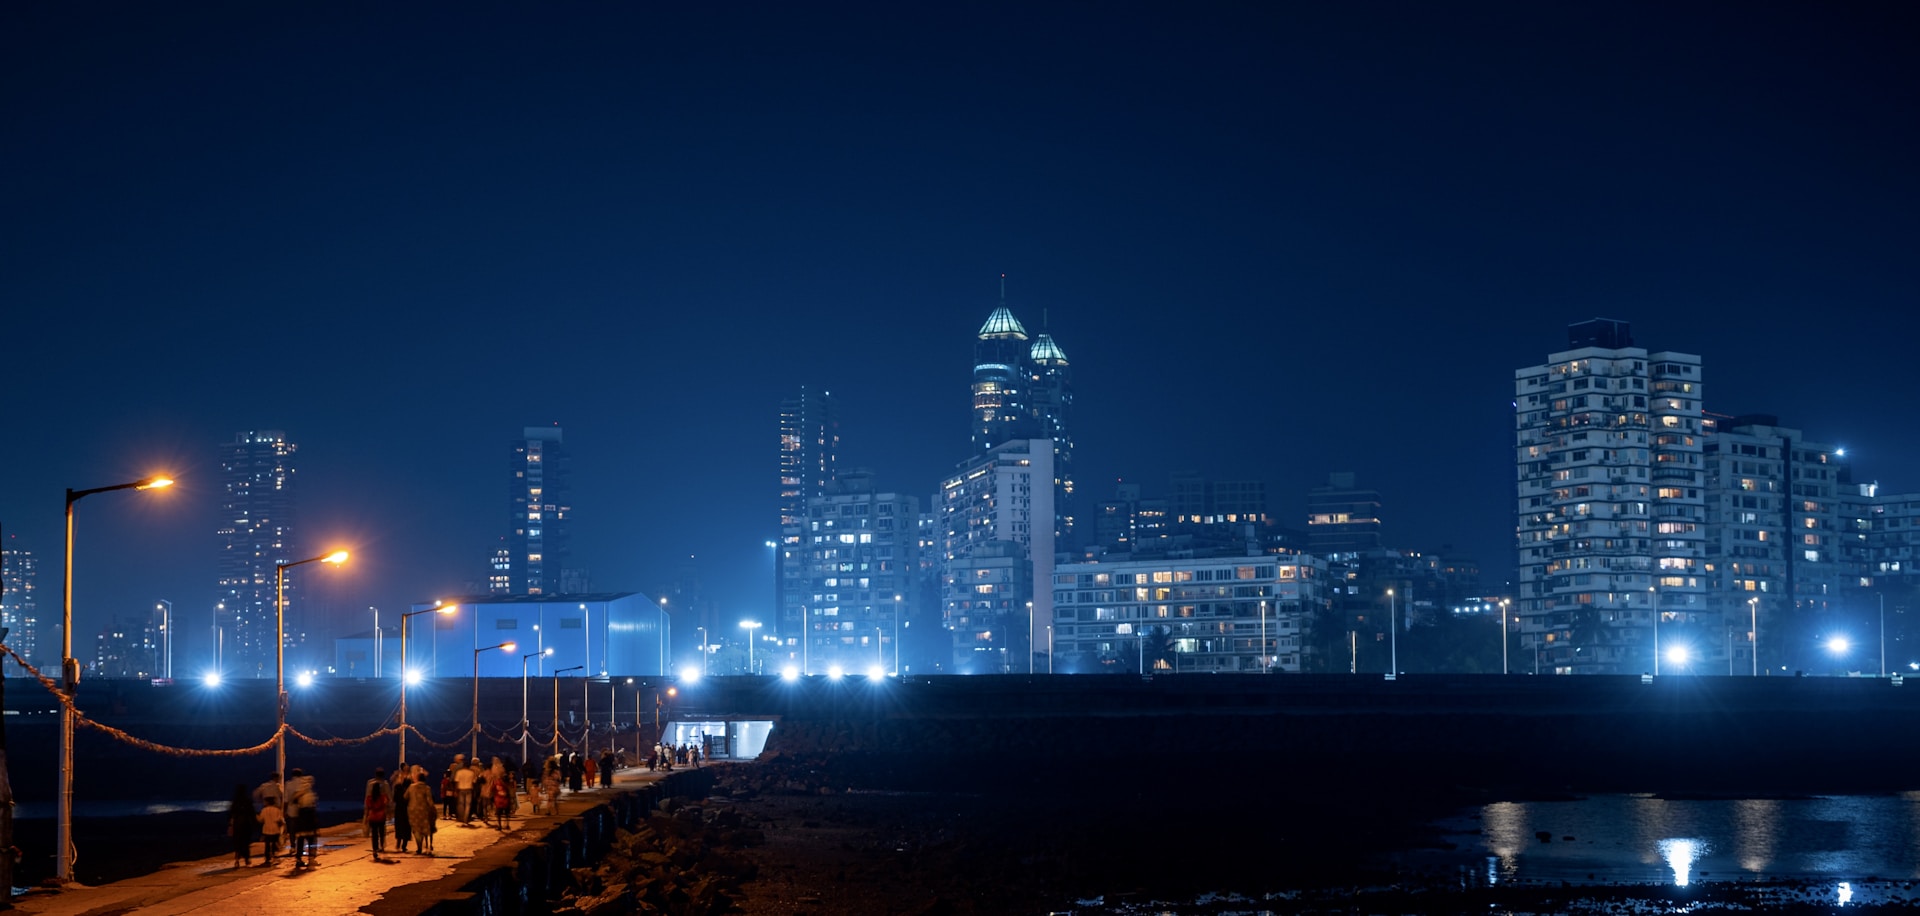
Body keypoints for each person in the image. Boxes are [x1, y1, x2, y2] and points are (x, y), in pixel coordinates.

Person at [286, 769, 319, 868]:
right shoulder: (309, 794)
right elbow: (313, 806)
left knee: (301, 838)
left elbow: (292, 801)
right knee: (312, 838)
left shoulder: (297, 792)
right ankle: (311, 859)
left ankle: (299, 858)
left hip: (301, 816)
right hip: (309, 816)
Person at [406, 772, 437, 853]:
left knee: (416, 829)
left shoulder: (411, 787)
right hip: (424, 811)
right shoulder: (427, 788)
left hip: (412, 811)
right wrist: (433, 809)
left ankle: (419, 846)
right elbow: (430, 801)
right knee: (423, 828)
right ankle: (422, 845)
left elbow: (405, 796)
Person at [365, 767, 391, 861]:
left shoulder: (369, 783)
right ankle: (382, 846)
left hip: (372, 816)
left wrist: (366, 815)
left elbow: (367, 801)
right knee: (381, 832)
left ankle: (375, 849)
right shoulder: (385, 784)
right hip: (381, 815)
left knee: (374, 834)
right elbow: (388, 799)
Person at [228, 783, 256, 868]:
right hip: (246, 823)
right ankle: (247, 858)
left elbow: (231, 813)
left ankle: (237, 859)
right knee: (246, 842)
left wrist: (231, 823)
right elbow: (252, 813)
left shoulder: (235, 801)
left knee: (237, 842)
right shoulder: (248, 800)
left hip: (237, 824)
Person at [258, 793, 285, 866]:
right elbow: (281, 820)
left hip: (266, 830)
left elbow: (261, 820)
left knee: (267, 845)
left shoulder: (264, 810)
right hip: (275, 829)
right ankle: (274, 856)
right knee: (274, 844)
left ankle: (267, 859)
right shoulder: (277, 810)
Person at [392, 772, 413, 857]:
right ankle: (404, 846)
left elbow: (394, 799)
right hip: (407, 809)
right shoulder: (410, 789)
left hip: (399, 810)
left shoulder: (397, 787)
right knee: (407, 827)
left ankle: (398, 844)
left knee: (399, 827)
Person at [453, 758, 477, 825]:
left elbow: (456, 782)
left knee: (461, 804)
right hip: (469, 789)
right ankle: (466, 818)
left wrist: (455, 791)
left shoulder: (459, 772)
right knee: (468, 805)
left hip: (461, 789)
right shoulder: (472, 772)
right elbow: (474, 782)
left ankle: (461, 817)